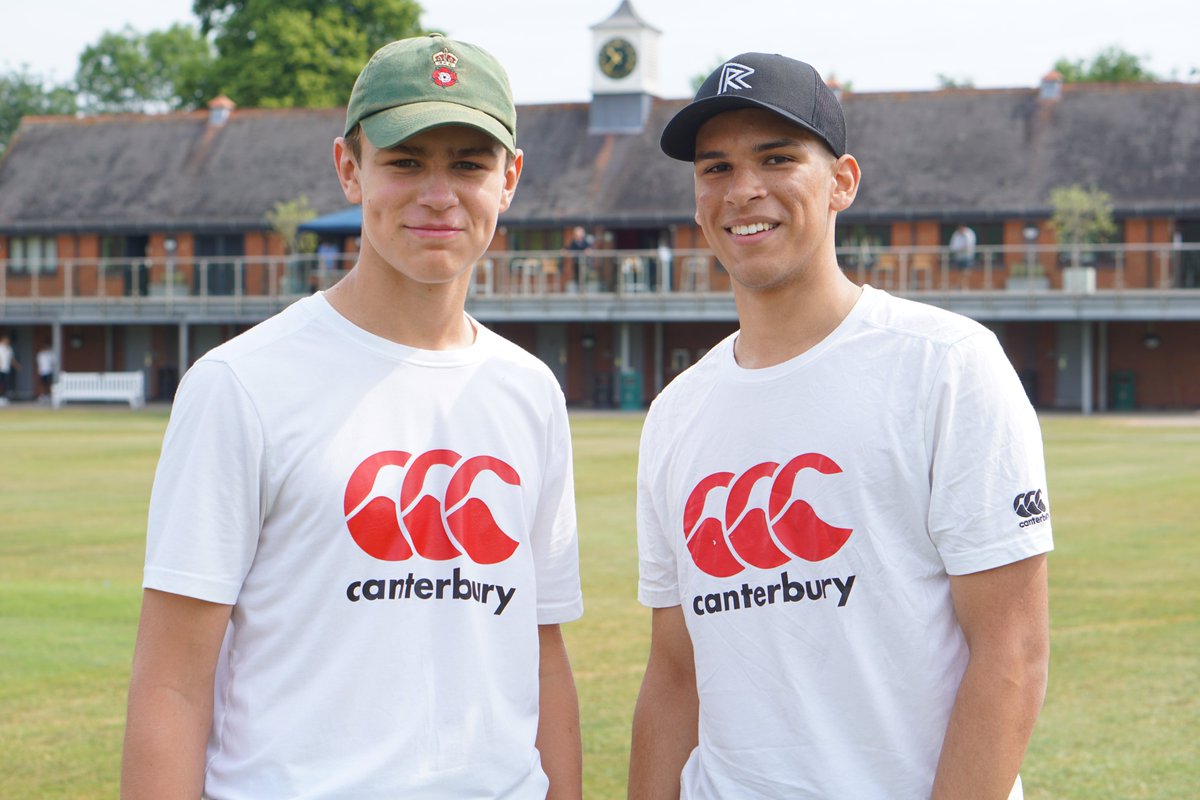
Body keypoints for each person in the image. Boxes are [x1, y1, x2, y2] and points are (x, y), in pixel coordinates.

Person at [122, 34, 584, 800]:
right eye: (405, 161)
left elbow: (542, 657)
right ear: (348, 167)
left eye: (468, 165)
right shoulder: (241, 384)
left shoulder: (530, 391)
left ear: (509, 179)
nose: (438, 194)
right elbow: (171, 683)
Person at [629, 52, 1052, 799]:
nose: (743, 189)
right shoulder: (675, 413)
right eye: (716, 168)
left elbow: (1011, 652)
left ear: (842, 182)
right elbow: (674, 671)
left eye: (777, 159)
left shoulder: (946, 364)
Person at [0, 334, 19, 405]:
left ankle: (4, 398)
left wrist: (17, 366)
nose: (7, 342)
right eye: (6, 340)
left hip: (6, 369)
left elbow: (12, 359)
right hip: (0, 369)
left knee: (6, 384)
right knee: (0, 384)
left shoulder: (9, 349)